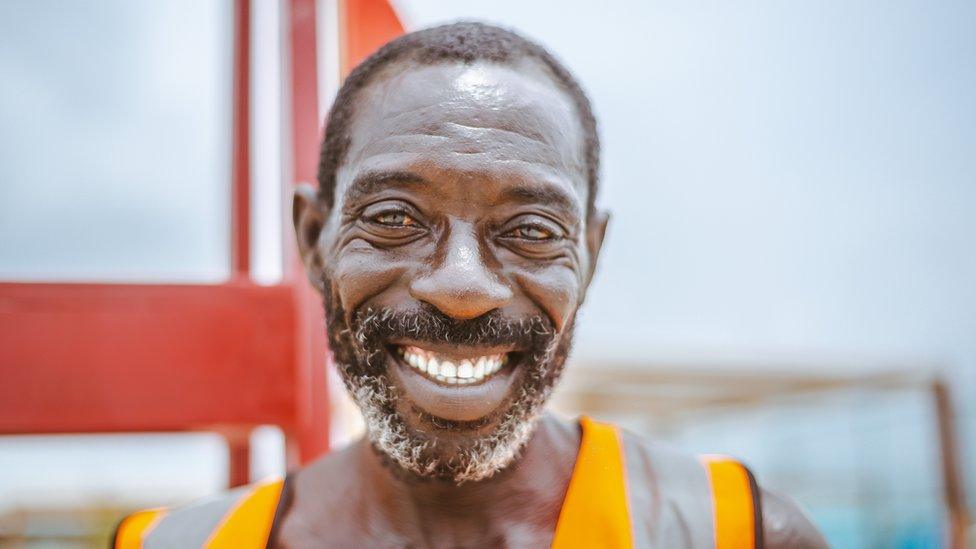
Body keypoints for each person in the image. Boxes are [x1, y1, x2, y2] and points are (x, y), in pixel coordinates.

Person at [114, 22, 827, 548]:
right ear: (314, 241)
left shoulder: (741, 532)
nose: (462, 286)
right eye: (394, 217)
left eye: (530, 230)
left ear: (590, 251)